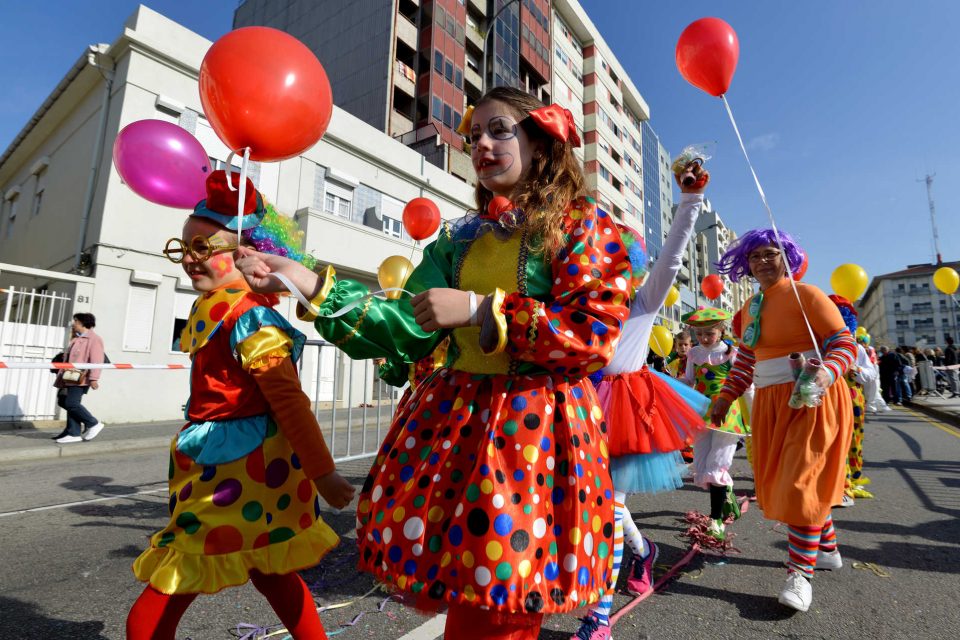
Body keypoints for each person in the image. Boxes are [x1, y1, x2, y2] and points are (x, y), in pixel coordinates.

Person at [236, 87, 632, 640]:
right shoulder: (458, 239)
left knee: (506, 598)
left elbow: (593, 332)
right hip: (459, 428)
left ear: (540, 144)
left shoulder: (582, 224)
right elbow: (404, 322)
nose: (482, 145)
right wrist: (306, 280)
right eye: (475, 136)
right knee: (472, 591)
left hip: (533, 433)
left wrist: (483, 310)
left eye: (499, 130)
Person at [126, 170, 355, 640]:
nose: (189, 258)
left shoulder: (248, 315)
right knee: (268, 572)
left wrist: (323, 473)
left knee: (176, 582)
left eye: (202, 247)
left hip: (240, 471)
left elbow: (288, 400)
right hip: (226, 465)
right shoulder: (216, 304)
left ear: (247, 254)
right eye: (184, 247)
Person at [571, 157, 710, 640]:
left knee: (607, 509)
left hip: (625, 408)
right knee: (594, 502)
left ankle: (599, 617)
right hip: (577, 404)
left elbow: (671, 257)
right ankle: (643, 550)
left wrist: (690, 200)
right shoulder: (580, 301)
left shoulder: (644, 299)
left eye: (613, 255)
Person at [711, 228, 855, 613]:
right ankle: (827, 550)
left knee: (799, 481)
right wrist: (725, 398)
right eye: (754, 255)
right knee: (794, 480)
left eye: (770, 253)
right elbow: (745, 361)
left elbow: (844, 343)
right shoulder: (749, 308)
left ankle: (800, 574)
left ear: (787, 257)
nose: (762, 261)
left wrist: (827, 373)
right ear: (746, 264)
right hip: (770, 404)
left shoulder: (808, 295)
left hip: (813, 399)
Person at [681, 308, 750, 541]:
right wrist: (667, 381)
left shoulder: (731, 353)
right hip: (702, 412)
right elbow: (689, 380)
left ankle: (716, 519)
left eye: (709, 333)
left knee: (717, 465)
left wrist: (753, 415)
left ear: (721, 330)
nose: (703, 338)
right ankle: (727, 495)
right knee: (701, 466)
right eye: (699, 334)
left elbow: (746, 385)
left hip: (726, 414)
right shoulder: (693, 354)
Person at [52, 312, 106, 443]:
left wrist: (94, 378)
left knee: (71, 403)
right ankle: (73, 433)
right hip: (69, 376)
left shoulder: (94, 339)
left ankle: (93, 423)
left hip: (81, 378)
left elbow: (97, 360)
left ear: (83, 323)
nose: (73, 323)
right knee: (66, 402)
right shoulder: (77, 338)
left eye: (75, 321)